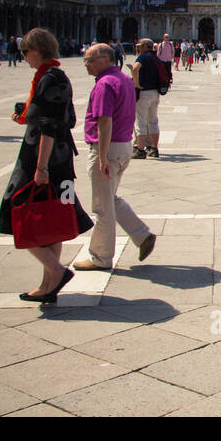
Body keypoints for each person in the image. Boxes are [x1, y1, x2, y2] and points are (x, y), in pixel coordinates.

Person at [0, 28, 92, 303]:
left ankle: (56, 271)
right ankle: (49, 283)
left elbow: (49, 127)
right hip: (60, 160)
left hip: (45, 159)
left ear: (36, 50)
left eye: (25, 52)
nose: (24, 58)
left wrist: (40, 168)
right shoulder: (54, 77)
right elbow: (66, 119)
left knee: (16, 209)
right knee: (55, 217)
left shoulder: (49, 79)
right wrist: (27, 117)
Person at [76, 43, 157, 271]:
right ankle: (142, 235)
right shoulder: (123, 79)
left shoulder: (105, 84)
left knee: (102, 206)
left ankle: (100, 257)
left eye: (90, 59)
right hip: (122, 147)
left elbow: (104, 121)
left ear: (105, 59)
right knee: (110, 198)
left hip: (108, 149)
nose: (86, 64)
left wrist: (101, 157)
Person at [131, 38, 162, 159]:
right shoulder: (156, 57)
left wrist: (136, 83)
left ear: (144, 46)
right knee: (153, 121)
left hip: (144, 93)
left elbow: (135, 68)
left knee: (141, 122)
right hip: (155, 92)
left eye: (139, 45)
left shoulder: (143, 57)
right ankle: (154, 149)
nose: (137, 47)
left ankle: (140, 149)